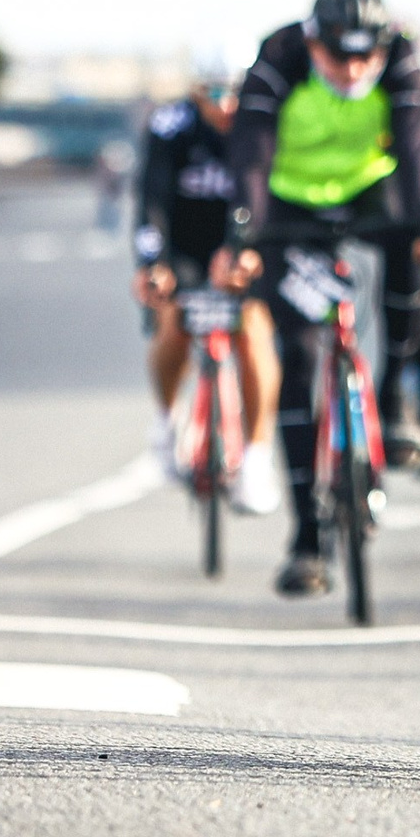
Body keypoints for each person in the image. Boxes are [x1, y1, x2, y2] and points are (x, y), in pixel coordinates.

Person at [215, 0, 420, 598]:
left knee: (412, 251)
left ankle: (394, 401)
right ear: (312, 42)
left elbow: (417, 146)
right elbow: (251, 159)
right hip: (290, 207)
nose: (353, 67)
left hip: (370, 191)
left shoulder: (400, 55)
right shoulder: (278, 58)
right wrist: (242, 239)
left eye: (366, 53)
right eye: (338, 54)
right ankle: (306, 540)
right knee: (302, 356)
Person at [133, 63, 283, 514]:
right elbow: (151, 201)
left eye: (236, 91)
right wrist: (153, 263)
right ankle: (164, 423)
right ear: (196, 90)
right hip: (186, 251)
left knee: (254, 334)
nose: (225, 104)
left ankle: (257, 457)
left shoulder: (265, 124)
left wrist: (254, 251)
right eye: (214, 92)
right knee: (172, 322)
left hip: (246, 249)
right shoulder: (170, 127)